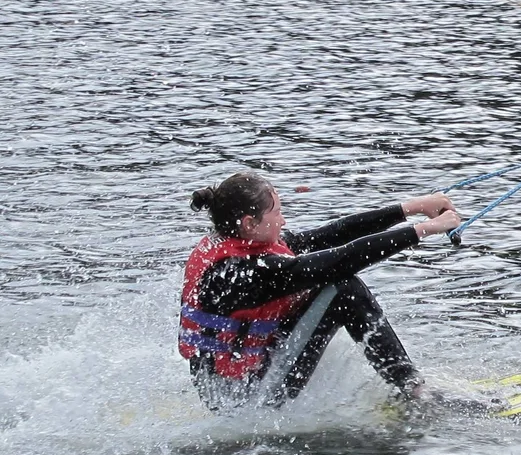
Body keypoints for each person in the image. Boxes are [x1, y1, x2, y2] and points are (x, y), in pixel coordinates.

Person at [178, 171, 460, 409]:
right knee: (342, 288)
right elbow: (342, 260)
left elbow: (332, 235)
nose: (283, 221)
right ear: (250, 223)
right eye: (276, 213)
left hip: (242, 380)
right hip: (244, 399)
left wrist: (411, 208)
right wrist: (424, 229)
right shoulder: (239, 274)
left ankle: (408, 386)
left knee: (336, 283)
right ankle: (414, 392)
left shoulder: (240, 242)